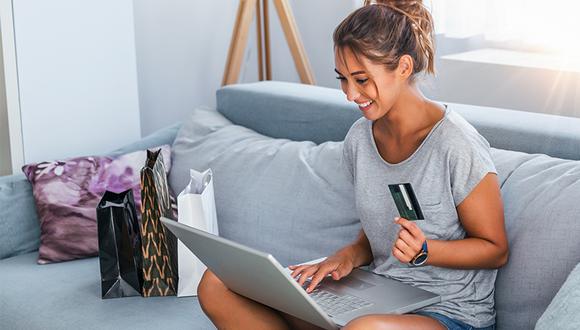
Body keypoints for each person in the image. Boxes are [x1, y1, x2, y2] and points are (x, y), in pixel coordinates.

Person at [197, 1, 509, 329]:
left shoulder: (455, 143)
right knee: (217, 283)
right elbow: (377, 232)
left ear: (403, 68)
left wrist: (427, 251)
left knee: (364, 328)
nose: (350, 94)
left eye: (361, 79)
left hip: (450, 314)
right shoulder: (360, 139)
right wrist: (344, 257)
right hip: (381, 299)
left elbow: (495, 249)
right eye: (343, 79)